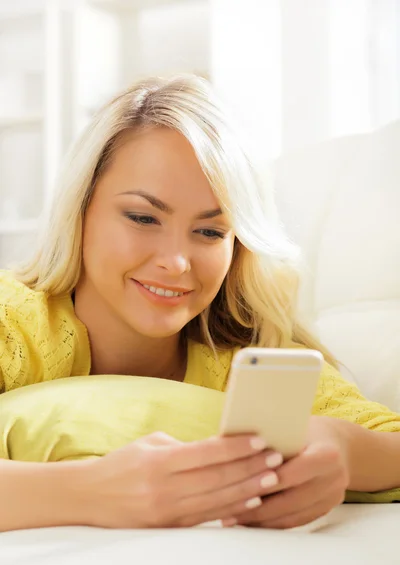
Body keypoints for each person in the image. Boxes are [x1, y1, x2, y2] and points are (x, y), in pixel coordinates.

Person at [1, 74, 400, 534]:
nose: (176, 262)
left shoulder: (252, 358)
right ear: (81, 209)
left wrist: (344, 452)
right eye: (143, 217)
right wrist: (91, 492)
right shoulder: (12, 323)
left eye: (210, 231)